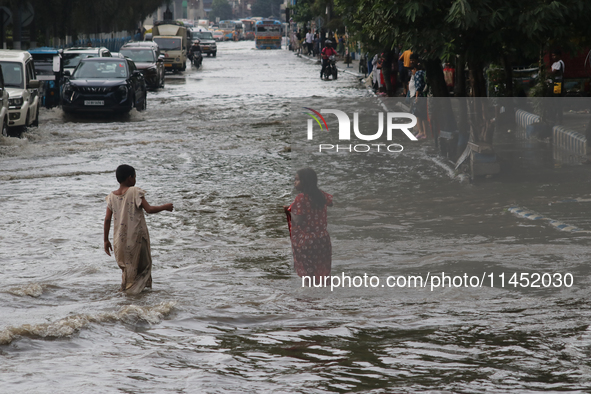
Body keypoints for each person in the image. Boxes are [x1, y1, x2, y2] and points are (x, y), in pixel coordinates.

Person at [103, 165, 174, 295]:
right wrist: (165, 207)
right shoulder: (135, 191)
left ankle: (127, 297)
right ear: (130, 178)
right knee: (143, 268)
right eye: (135, 176)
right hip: (136, 239)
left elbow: (107, 220)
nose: (135, 179)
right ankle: (135, 299)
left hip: (120, 241)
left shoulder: (111, 197)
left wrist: (106, 241)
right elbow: (149, 209)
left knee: (128, 271)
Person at [284, 168, 333, 279]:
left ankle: (308, 296)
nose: (294, 182)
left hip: (307, 241)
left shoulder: (301, 198)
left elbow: (298, 221)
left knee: (308, 276)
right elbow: (331, 203)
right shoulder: (321, 195)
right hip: (323, 239)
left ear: (305, 181)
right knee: (323, 275)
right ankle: (325, 295)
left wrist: (289, 211)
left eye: (297, 180)